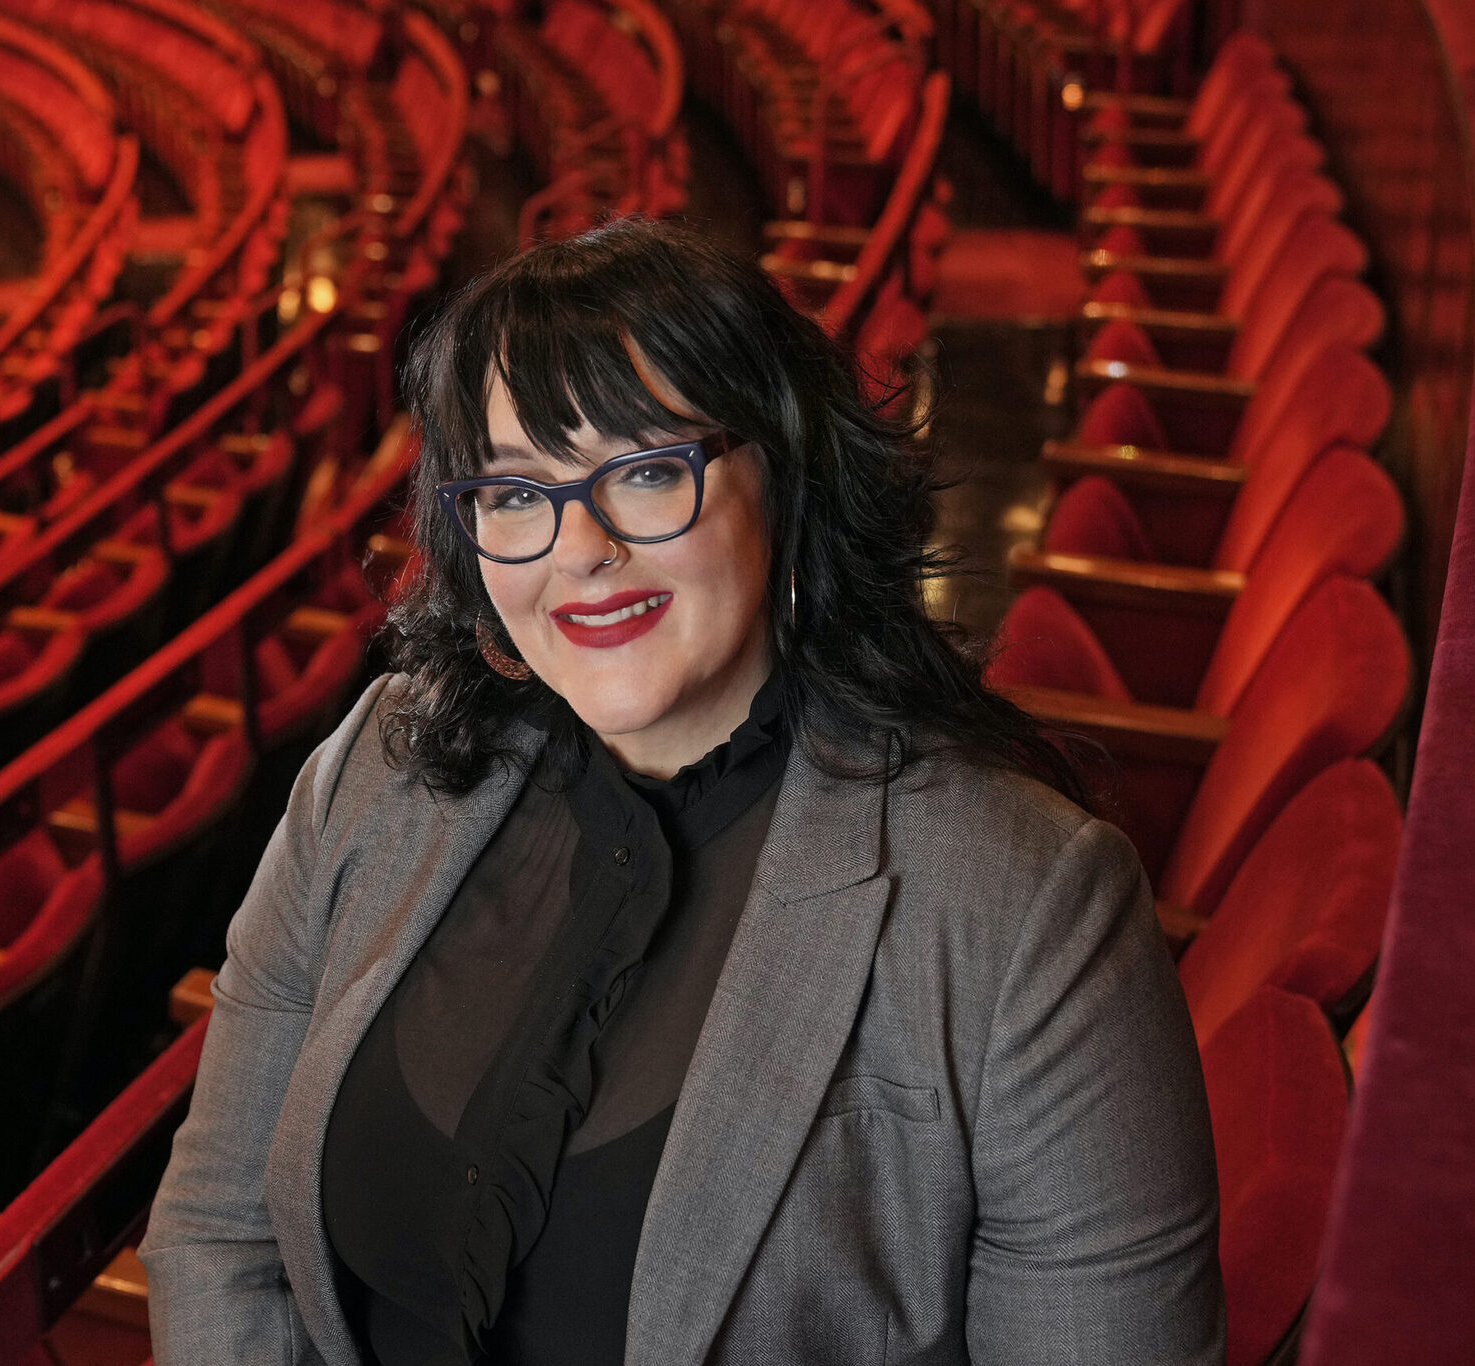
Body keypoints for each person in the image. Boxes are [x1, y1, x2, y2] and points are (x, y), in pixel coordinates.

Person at [139, 218, 1223, 1365]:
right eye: (516, 493)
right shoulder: (377, 764)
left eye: (648, 471)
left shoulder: (1028, 911)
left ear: (787, 479)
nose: (579, 548)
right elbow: (217, 1227)